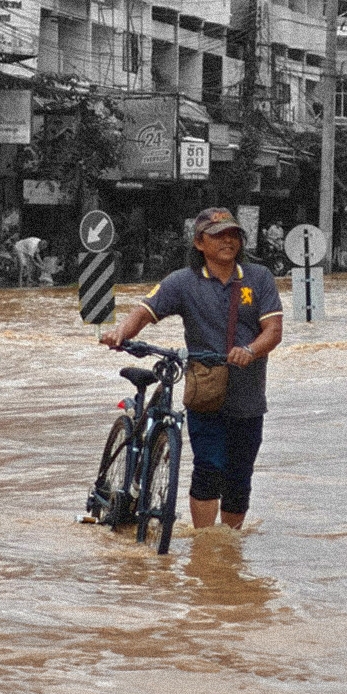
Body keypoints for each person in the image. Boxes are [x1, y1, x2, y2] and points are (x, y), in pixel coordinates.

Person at [100, 207, 284, 530]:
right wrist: (121, 333)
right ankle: (205, 546)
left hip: (248, 394)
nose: (227, 241)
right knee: (208, 468)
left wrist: (251, 350)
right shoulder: (183, 282)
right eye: (218, 236)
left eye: (233, 235)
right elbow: (144, 311)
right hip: (205, 390)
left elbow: (274, 331)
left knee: (240, 478)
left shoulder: (259, 278)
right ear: (200, 243)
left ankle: (228, 546)